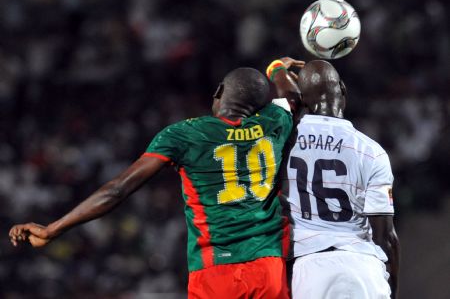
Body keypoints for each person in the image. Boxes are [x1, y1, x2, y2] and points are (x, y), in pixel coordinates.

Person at [9, 62, 304, 298]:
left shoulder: (184, 134)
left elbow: (117, 190)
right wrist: (278, 67)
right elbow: (291, 97)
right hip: (269, 266)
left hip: (215, 272)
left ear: (219, 91)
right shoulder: (274, 123)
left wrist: (53, 229)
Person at [282, 60, 400, 299]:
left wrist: (276, 70)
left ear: (302, 100)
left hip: (308, 270)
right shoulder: (371, 151)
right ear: (343, 89)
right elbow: (386, 237)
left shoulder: (283, 143)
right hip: (362, 266)